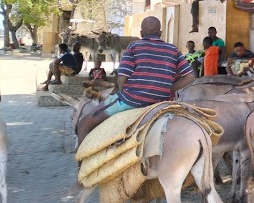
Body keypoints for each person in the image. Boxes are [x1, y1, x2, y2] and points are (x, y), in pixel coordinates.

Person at [75, 16, 194, 145]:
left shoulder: (134, 46)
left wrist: (125, 93)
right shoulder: (173, 49)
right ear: (160, 33)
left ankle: (84, 165)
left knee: (84, 124)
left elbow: (122, 78)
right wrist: (167, 88)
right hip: (161, 100)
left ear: (141, 33)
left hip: (132, 99)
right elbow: (189, 77)